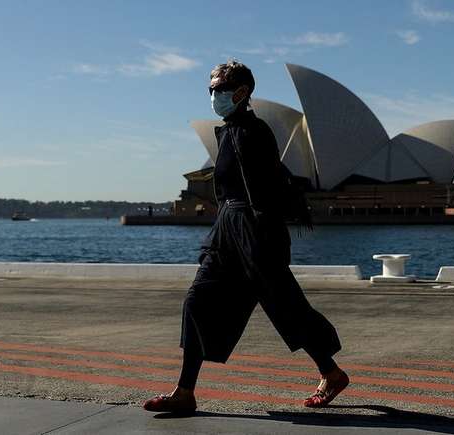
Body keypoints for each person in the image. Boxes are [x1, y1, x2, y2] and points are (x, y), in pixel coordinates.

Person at [143, 60, 348, 414]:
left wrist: (261, 241)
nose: (213, 95)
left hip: (254, 231)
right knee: (198, 301)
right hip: (227, 231)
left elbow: (262, 191)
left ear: (241, 92)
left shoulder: (253, 132)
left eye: (218, 89)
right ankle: (184, 391)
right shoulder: (229, 131)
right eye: (210, 89)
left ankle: (331, 373)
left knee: (287, 308)